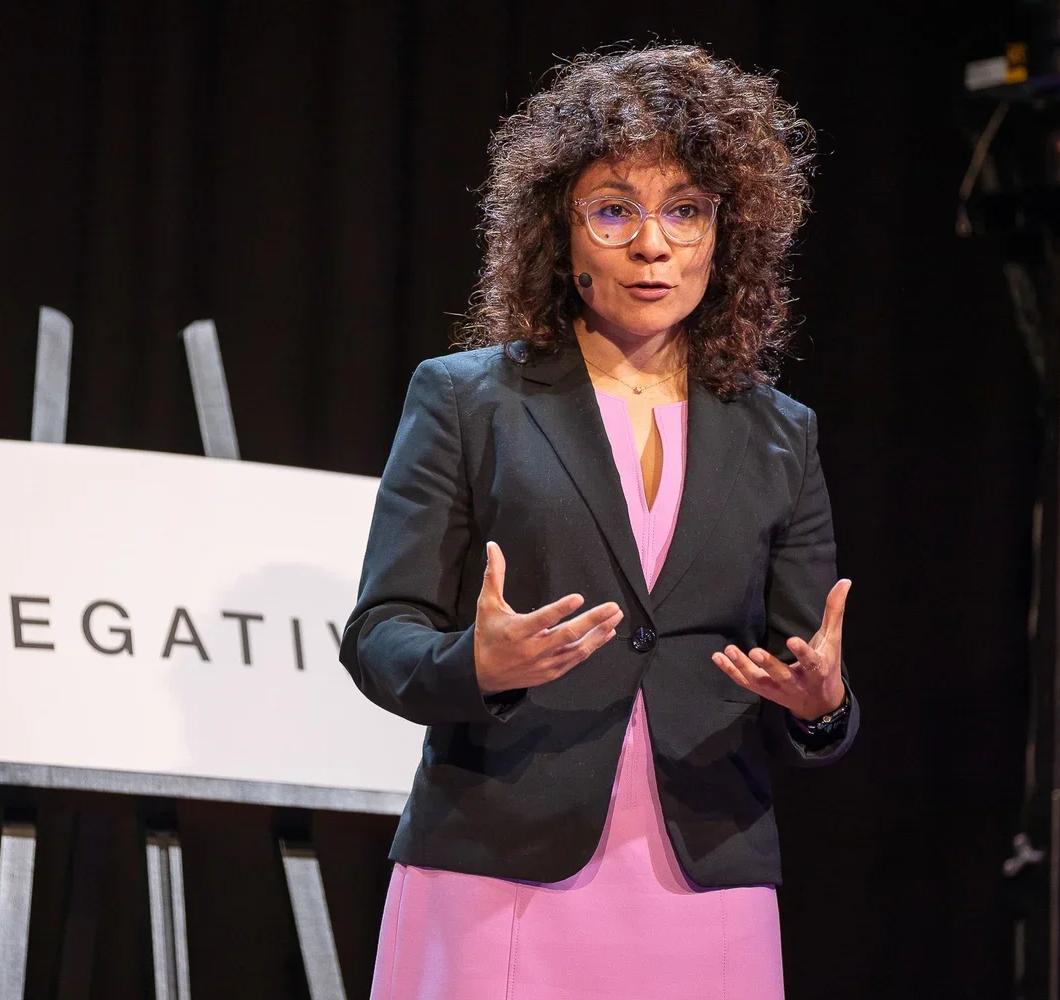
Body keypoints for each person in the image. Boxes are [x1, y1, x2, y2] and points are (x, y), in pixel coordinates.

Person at [339, 44, 858, 1000]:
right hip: (500, 865)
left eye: (684, 211)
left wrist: (821, 707)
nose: (652, 244)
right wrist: (477, 666)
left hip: (709, 873)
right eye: (615, 210)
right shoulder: (466, 400)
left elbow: (798, 673)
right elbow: (380, 636)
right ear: (562, 233)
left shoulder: (783, 433)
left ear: (724, 234)